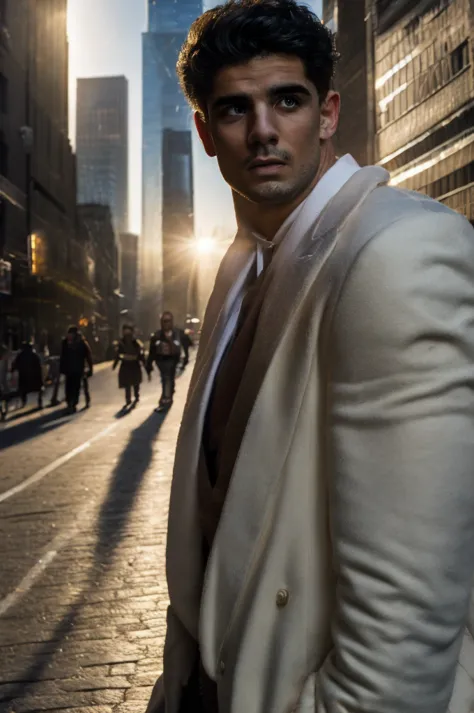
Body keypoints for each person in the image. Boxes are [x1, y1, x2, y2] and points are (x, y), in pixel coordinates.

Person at [146, 2, 474, 713]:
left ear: (327, 114)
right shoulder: (238, 270)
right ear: (205, 133)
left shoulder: (396, 251)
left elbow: (407, 606)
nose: (263, 131)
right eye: (234, 109)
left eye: (286, 101)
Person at [147, 312, 182, 412]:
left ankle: (167, 397)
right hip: (161, 361)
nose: (166, 323)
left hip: (172, 360)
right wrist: (149, 365)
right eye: (164, 321)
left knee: (168, 378)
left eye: (168, 321)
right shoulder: (157, 335)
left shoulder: (176, 334)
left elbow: (179, 348)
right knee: (166, 378)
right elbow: (152, 351)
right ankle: (166, 397)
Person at [60, 326, 93, 414]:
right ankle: (69, 402)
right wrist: (62, 368)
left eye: (71, 334)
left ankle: (74, 403)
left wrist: (90, 368)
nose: (69, 336)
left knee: (76, 386)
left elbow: (88, 356)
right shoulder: (65, 343)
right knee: (68, 386)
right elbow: (63, 356)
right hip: (68, 369)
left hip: (78, 368)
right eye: (68, 334)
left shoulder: (82, 343)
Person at [113, 324, 146, 407]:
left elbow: (140, 354)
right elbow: (118, 354)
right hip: (126, 364)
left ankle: (136, 395)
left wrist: (144, 363)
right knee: (127, 383)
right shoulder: (121, 343)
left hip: (134, 364)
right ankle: (128, 399)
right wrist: (115, 363)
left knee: (135, 382)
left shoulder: (136, 342)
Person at [11, 341, 44, 409]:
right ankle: (40, 402)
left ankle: (23, 403)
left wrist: (12, 370)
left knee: (23, 390)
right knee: (40, 388)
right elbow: (39, 366)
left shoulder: (20, 355)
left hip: (24, 378)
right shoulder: (34, 355)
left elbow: (15, 364)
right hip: (34, 378)